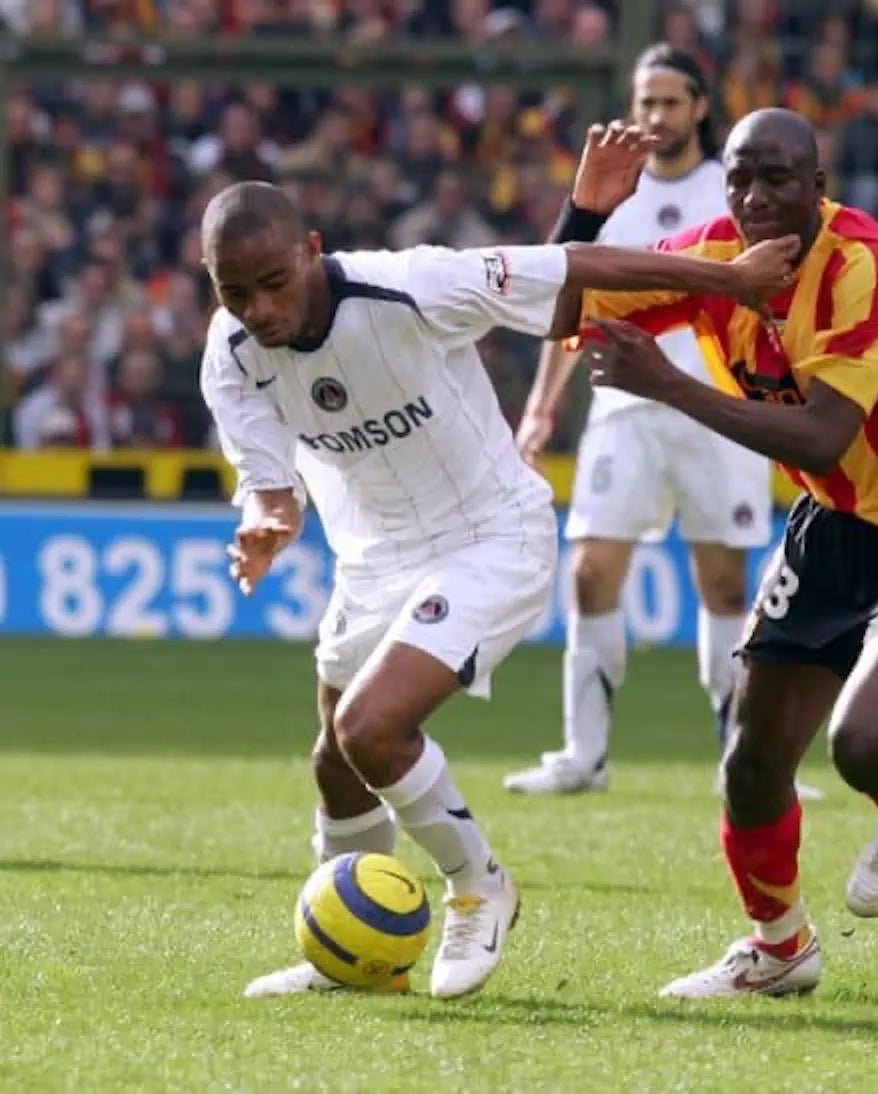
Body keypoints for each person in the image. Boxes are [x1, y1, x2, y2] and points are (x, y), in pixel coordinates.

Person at [198, 176, 797, 999]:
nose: (259, 310)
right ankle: (353, 956)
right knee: (336, 760)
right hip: (374, 559)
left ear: (311, 251)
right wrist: (268, 521)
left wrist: (726, 278)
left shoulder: (411, 285)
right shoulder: (229, 353)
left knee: (372, 729)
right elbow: (270, 483)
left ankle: (480, 886)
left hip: (490, 537)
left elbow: (572, 264)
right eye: (235, 293)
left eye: (273, 284)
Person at [571, 108, 878, 998]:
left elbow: (820, 435)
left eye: (776, 179)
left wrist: (667, 385)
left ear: (818, 186)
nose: (754, 198)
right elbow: (557, 308)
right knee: (751, 766)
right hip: (831, 530)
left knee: (864, 744)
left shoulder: (870, 264)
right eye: (739, 179)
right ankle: (779, 951)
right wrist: (584, 214)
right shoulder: (713, 258)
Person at [503, 44, 822, 801]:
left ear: (700, 108)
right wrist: (542, 406)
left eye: (670, 102)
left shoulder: (733, 189)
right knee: (590, 571)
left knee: (724, 583)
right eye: (645, 102)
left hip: (719, 405)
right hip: (625, 404)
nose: (655, 116)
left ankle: (744, 759)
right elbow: (575, 302)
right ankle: (584, 755)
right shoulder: (614, 192)